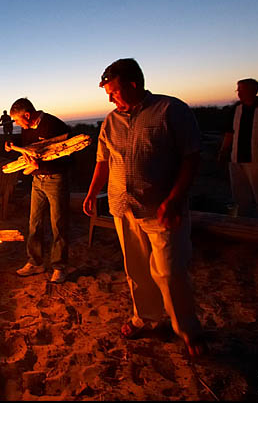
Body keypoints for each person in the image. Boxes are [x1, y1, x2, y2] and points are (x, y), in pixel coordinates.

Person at [83, 58, 206, 356]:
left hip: (160, 207)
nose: (110, 98)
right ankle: (145, 318)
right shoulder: (111, 121)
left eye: (113, 91)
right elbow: (103, 160)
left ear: (133, 84)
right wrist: (92, 193)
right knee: (136, 269)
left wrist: (175, 200)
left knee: (169, 271)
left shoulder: (170, 110)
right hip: (122, 207)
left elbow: (191, 158)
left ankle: (187, 330)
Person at [6, 98, 71, 284]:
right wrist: (12, 141)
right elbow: (26, 143)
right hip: (37, 180)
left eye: (17, 120)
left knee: (58, 224)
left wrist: (41, 163)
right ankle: (36, 262)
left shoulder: (54, 125)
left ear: (28, 115)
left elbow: (68, 155)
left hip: (55, 179)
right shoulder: (27, 128)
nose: (17, 124)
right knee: (34, 223)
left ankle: (59, 267)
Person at [217, 78, 258, 217]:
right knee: (239, 196)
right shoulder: (235, 109)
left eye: (241, 90)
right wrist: (223, 152)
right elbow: (229, 133)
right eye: (238, 90)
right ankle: (243, 222)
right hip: (236, 159)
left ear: (252, 90)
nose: (238, 93)